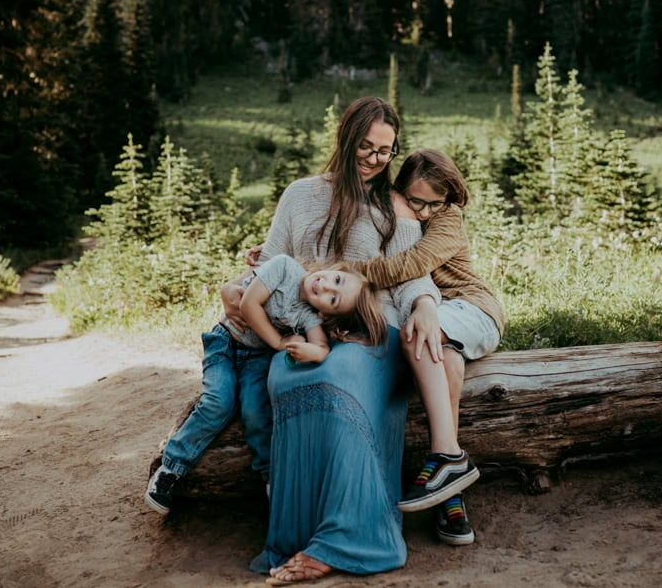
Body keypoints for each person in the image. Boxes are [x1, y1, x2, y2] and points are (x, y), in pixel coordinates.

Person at [224, 96, 443, 585]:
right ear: (345, 139)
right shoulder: (299, 195)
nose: (374, 159)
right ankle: (298, 537)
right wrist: (238, 293)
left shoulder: (394, 207)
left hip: (372, 332)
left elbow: (411, 276)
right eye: (365, 146)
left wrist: (426, 306)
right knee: (289, 373)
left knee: (339, 374)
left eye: (385, 152)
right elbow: (272, 266)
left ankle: (348, 540)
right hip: (309, 330)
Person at [145, 253, 387, 515]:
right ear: (335, 268)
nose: (326, 286)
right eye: (336, 279)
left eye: (333, 299)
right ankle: (170, 468)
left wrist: (317, 352)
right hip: (226, 341)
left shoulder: (309, 316)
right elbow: (249, 304)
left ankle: (271, 480)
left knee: (256, 411)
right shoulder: (284, 267)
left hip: (256, 357)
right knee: (218, 401)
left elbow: (321, 346)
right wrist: (279, 343)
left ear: (325, 312)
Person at [350, 148, 505, 546]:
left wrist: (349, 272)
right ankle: (449, 491)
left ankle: (448, 461)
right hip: (441, 317)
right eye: (415, 201)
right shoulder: (393, 210)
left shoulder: (448, 219)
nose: (422, 211)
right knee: (446, 363)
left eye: (432, 203)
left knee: (417, 334)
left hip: (471, 308)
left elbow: (411, 265)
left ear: (449, 198)